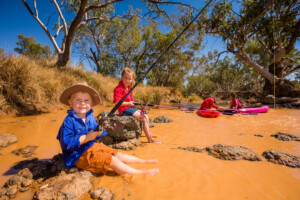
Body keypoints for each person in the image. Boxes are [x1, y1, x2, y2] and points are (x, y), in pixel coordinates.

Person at [57, 82, 159, 176]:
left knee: (117, 154)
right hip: (77, 155)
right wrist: (87, 137)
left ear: (91, 103)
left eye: (86, 100)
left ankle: (143, 162)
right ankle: (139, 173)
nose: (82, 103)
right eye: (78, 100)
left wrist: (100, 130)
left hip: (92, 146)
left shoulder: (91, 117)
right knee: (112, 160)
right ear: (70, 102)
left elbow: (97, 133)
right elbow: (66, 143)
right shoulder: (68, 121)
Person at [113, 67, 162, 144]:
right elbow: (117, 102)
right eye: (125, 78)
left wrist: (135, 105)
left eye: (129, 79)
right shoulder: (118, 88)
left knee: (146, 114)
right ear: (122, 77)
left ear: (132, 79)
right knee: (143, 118)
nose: (127, 80)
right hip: (124, 110)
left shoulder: (129, 89)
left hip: (130, 109)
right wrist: (129, 104)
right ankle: (150, 140)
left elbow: (131, 101)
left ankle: (149, 133)